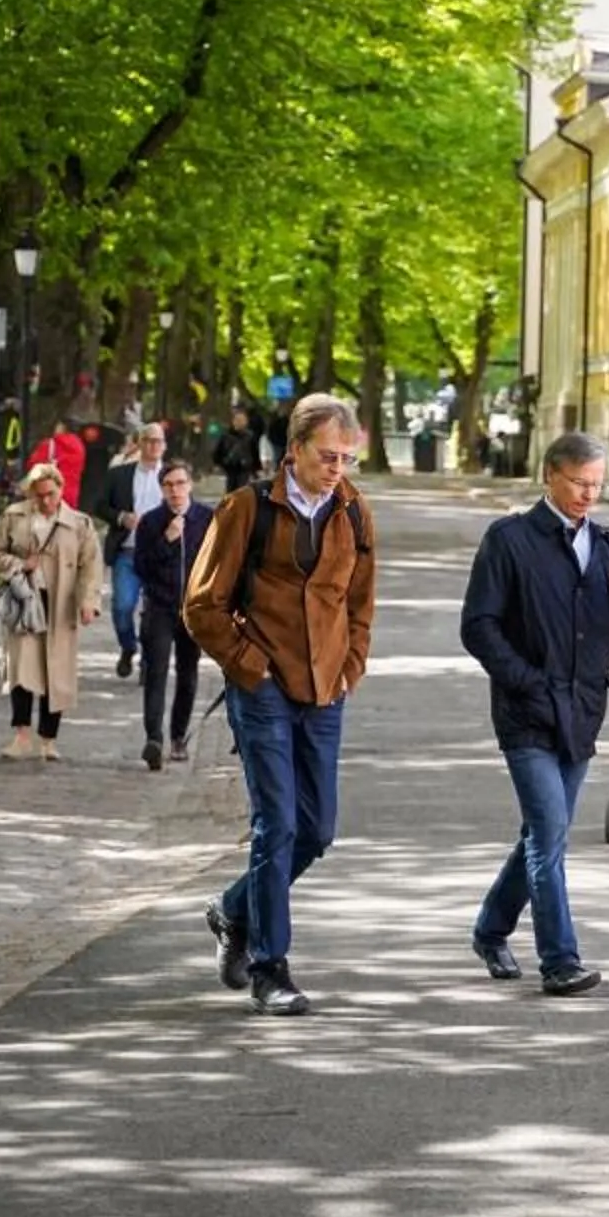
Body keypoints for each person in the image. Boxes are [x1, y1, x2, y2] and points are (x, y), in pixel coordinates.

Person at [184, 395, 379, 1017]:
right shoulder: (246, 510)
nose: (337, 468)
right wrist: (251, 667)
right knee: (279, 823)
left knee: (317, 830)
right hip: (262, 688)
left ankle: (233, 910)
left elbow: (361, 603)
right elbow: (202, 606)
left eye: (347, 458)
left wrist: (350, 667)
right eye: (327, 456)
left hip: (326, 690)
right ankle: (271, 968)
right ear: (293, 449)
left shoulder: (353, 511)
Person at [460, 430, 609, 995]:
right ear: (551, 475)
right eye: (579, 483)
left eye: (597, 485)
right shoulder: (508, 540)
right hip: (526, 711)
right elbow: (477, 626)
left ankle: (490, 928)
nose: (588, 494)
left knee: (542, 833)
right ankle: (559, 960)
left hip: (581, 710)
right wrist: (526, 680)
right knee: (550, 832)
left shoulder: (605, 545)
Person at [0, 462, 104, 762]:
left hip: (60, 603)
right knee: (21, 669)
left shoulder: (79, 523)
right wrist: (18, 564)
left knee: (57, 671)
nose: (46, 501)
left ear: (61, 490)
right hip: (24, 601)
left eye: (51, 494)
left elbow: (90, 565)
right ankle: (21, 735)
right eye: (39, 496)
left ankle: (49, 739)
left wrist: (88, 601)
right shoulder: (13, 517)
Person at [132, 457, 212, 770]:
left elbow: (220, 562)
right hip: (160, 607)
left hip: (194, 609)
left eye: (180, 484)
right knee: (156, 673)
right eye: (169, 485)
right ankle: (154, 738)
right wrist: (167, 540)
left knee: (188, 675)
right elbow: (142, 566)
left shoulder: (207, 518)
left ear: (190, 485)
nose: (175, 491)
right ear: (161, 489)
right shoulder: (152, 523)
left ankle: (178, 736)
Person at [96, 420, 170, 678]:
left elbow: (186, 509)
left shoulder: (172, 476)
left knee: (155, 612)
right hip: (127, 552)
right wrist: (121, 517)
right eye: (148, 440)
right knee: (122, 607)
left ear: (164, 446)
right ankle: (128, 646)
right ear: (139, 444)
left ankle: (149, 660)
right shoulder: (121, 475)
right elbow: (100, 505)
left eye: (158, 441)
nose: (153, 446)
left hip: (161, 557)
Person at [213, 405, 264, 496]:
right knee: (231, 489)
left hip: (244, 468)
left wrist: (257, 468)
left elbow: (254, 452)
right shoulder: (226, 436)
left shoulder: (250, 436)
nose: (239, 423)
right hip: (230, 467)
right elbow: (218, 451)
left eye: (242, 420)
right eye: (237, 420)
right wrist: (219, 463)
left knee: (242, 489)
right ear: (233, 422)